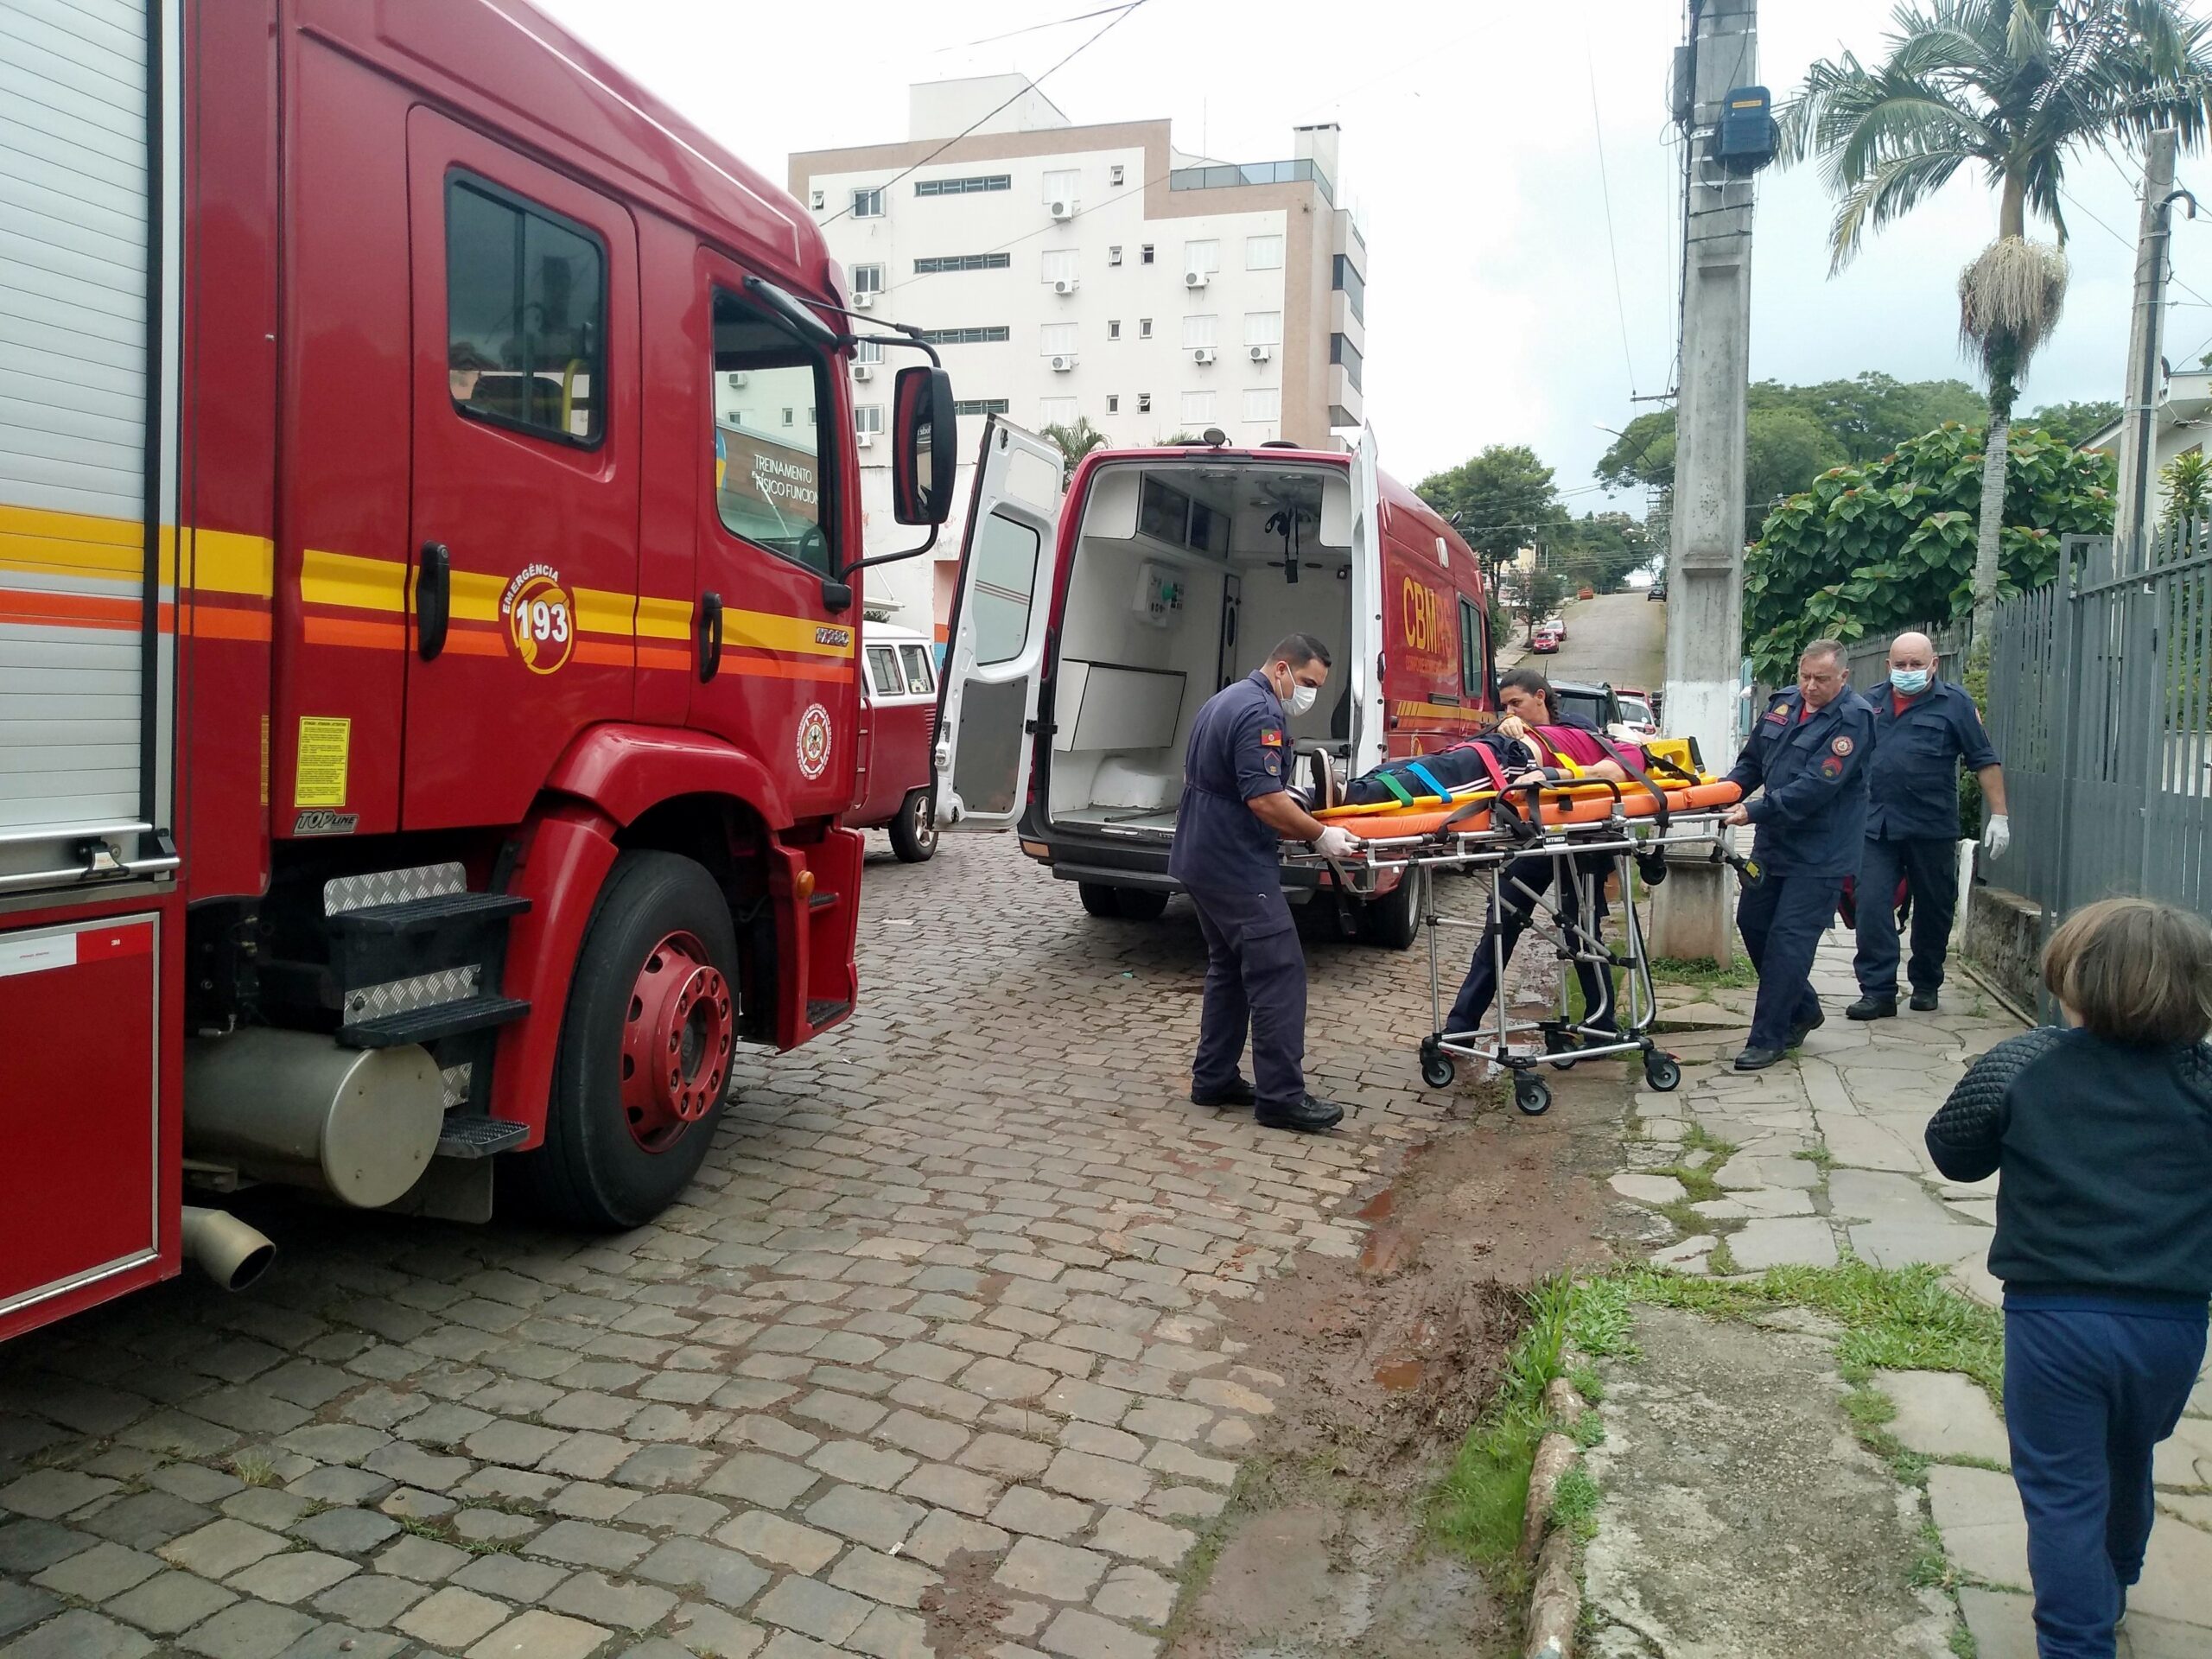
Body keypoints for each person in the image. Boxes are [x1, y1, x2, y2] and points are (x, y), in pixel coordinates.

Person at [1924, 898, 2212, 1659]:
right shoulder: (2204, 1081)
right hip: (2173, 1323)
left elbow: (1953, 1153)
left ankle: (2076, 1643)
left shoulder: (2027, 1061)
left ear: (2073, 983)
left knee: (2062, 1493)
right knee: (2128, 1453)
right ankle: (2117, 1578)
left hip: (2054, 1322)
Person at [1169, 634, 1354, 1134]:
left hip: (1202, 853)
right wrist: (1321, 835)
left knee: (1229, 968)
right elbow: (1263, 800)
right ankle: (1281, 1097)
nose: (1310, 693)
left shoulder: (1227, 698)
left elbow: (1240, 781)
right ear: (1282, 670)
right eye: (1309, 682)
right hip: (1233, 862)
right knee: (1279, 971)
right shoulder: (1261, 713)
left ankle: (1213, 1079)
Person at [1440, 694, 1648, 1046]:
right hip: (1537, 838)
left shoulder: (1575, 728)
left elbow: (1606, 770)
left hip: (1582, 839)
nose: (1509, 711)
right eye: (1504, 705)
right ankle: (1461, 1029)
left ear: (1540, 698)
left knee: (1581, 930)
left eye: (1515, 703)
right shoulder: (1511, 740)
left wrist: (1551, 770)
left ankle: (1602, 1028)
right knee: (1501, 921)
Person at [1721, 639, 1874, 1070]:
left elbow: (1817, 787)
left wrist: (1753, 810)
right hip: (1774, 843)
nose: (1809, 686)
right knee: (1752, 923)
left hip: (1821, 852)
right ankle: (1803, 1007)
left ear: (1843, 677)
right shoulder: (1785, 703)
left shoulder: (1854, 719)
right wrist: (1726, 793)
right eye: (1805, 676)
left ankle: (1768, 1038)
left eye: (1821, 680)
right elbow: (1752, 762)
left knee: (1789, 941)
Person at [1848, 631, 2008, 1020]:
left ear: (1933, 665)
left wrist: (2000, 816)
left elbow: (1983, 760)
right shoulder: (1869, 702)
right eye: (1900, 665)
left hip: (1931, 825)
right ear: (1888, 666)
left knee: (1935, 908)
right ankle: (1878, 991)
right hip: (1877, 826)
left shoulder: (1955, 704)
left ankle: (1926, 982)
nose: (1907, 671)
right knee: (1870, 905)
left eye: (1916, 665)